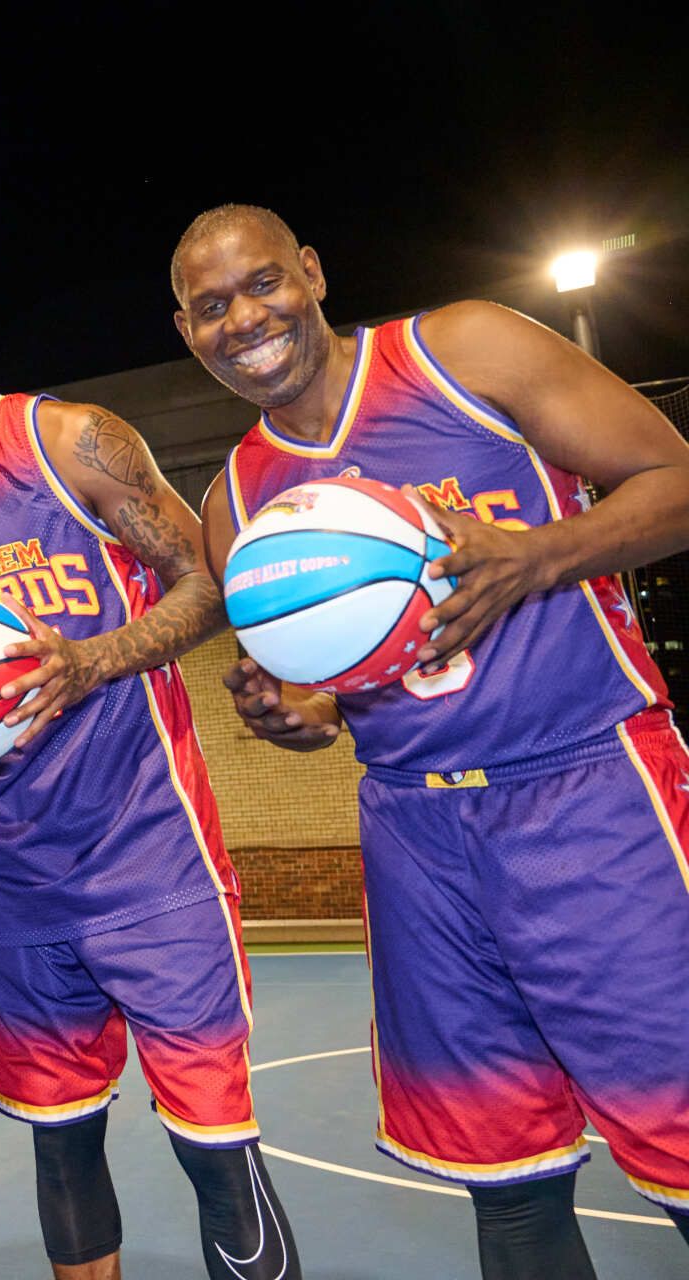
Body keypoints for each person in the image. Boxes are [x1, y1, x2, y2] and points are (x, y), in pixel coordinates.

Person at [173, 203, 689, 1276]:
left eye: (262, 283)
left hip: (588, 786)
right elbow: (329, 696)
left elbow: (675, 476)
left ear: (312, 272)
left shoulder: (461, 349)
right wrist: (296, 716)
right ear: (188, 332)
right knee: (507, 1181)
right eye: (211, 306)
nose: (243, 318)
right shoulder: (237, 501)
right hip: (415, 827)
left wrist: (538, 555)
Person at [0, 277, 302, 1280]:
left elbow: (208, 580)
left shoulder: (67, 441)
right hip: (14, 872)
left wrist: (92, 657)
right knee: (62, 1136)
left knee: (214, 1141)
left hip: (151, 852)